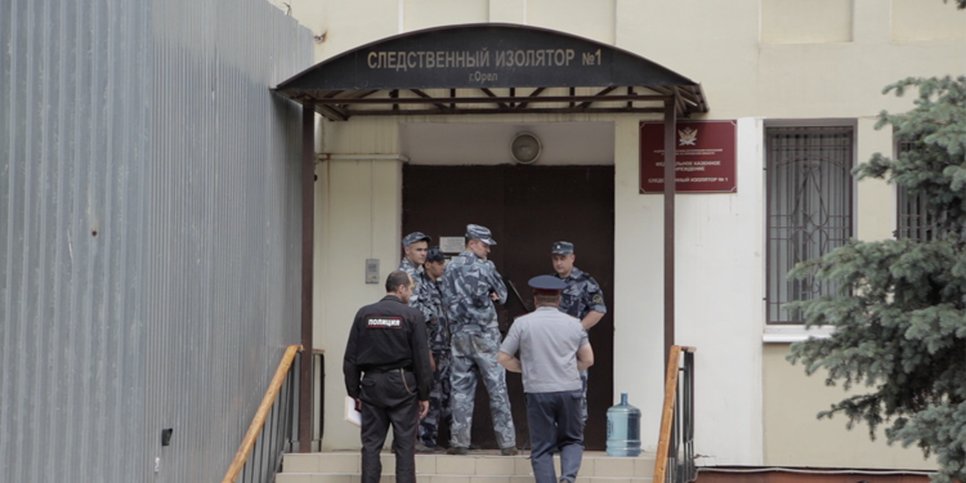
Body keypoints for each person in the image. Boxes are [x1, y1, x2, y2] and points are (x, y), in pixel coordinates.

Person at [498, 275, 594, 483]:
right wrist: (567, 369)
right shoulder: (575, 324)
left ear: (535, 298)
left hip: (537, 390)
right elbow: (588, 359)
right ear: (559, 299)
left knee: (542, 447)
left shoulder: (522, 324)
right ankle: (567, 478)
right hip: (569, 389)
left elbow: (503, 357)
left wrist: (527, 369)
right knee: (572, 440)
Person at [343, 271, 432, 483]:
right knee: (405, 446)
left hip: (372, 385)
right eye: (409, 289)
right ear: (400, 288)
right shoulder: (412, 316)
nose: (410, 293)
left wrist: (354, 393)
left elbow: (350, 359)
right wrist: (424, 394)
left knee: (371, 445)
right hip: (403, 384)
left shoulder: (364, 314)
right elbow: (422, 358)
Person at [440, 223, 517, 456]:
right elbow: (503, 295)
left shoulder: (450, 266)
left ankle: (460, 441)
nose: (488, 250)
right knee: (497, 387)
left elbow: (444, 298)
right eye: (484, 245)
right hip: (485, 335)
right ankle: (507, 443)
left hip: (460, 335)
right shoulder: (486, 267)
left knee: (461, 389)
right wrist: (492, 295)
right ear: (472, 243)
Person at [550, 241, 607, 426]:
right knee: (551, 390)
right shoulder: (550, 282)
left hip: (575, 345)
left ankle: (574, 438)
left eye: (563, 258)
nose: (559, 263)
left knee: (576, 390)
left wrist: (577, 329)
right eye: (556, 259)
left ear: (572, 258)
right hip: (551, 344)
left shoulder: (585, 282)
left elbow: (598, 310)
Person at [416, 247, 451, 452]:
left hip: (444, 347)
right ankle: (425, 438)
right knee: (430, 393)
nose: (442, 266)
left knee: (444, 395)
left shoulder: (439, 286)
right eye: (438, 263)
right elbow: (422, 317)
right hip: (431, 349)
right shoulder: (420, 285)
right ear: (428, 264)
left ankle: (437, 438)